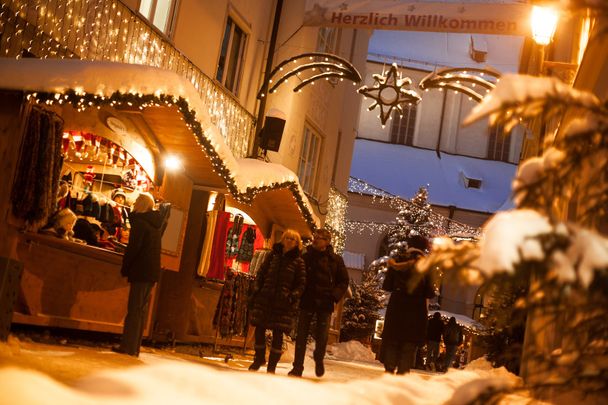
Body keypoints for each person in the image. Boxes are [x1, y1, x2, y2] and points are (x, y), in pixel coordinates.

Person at [113, 193, 170, 356]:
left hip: (141, 270)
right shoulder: (155, 223)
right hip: (151, 271)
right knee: (140, 310)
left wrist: (125, 268)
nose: (134, 202)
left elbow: (134, 248)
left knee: (134, 310)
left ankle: (128, 347)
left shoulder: (140, 222)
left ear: (141, 204)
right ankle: (134, 347)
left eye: (137, 200)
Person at [288, 228, 349, 378]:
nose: (315, 239)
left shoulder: (335, 260)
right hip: (307, 299)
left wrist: (334, 296)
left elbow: (343, 281)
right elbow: (298, 275)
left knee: (322, 337)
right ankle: (297, 367)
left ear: (327, 242)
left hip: (325, 302)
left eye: (319, 238)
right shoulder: (306, 257)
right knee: (301, 335)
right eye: (315, 236)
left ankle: (319, 358)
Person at [248, 229, 306, 373]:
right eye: (287, 238)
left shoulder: (298, 262)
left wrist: (292, 296)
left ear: (297, 243)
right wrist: (257, 287)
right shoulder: (272, 256)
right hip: (265, 298)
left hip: (283, 303)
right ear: (283, 239)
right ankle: (259, 358)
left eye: (293, 239)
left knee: (278, 335)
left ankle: (272, 366)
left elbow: (301, 283)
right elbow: (261, 273)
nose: (289, 241)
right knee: (259, 329)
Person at [379, 235, 435, 374]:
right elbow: (430, 292)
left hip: (397, 306)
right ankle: (402, 376)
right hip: (416, 309)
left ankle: (388, 373)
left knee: (393, 340)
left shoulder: (397, 260)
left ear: (409, 245)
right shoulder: (427, 265)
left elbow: (387, 285)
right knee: (408, 345)